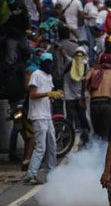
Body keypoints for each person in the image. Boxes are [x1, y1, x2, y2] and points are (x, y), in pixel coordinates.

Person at [23, 53, 62, 184]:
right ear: (42, 62)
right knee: (41, 147)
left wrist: (54, 96)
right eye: (47, 62)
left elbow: (47, 95)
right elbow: (32, 95)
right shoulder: (36, 74)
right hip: (38, 115)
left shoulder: (49, 76)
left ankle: (52, 172)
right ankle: (31, 174)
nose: (49, 64)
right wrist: (48, 94)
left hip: (47, 115)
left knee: (52, 145)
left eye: (51, 62)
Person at [84, 53, 111, 139]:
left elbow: (86, 79)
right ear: (110, 63)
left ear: (100, 62)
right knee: (106, 133)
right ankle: (104, 151)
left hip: (94, 102)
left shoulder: (93, 71)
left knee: (96, 133)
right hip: (107, 102)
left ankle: (94, 150)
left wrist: (85, 92)